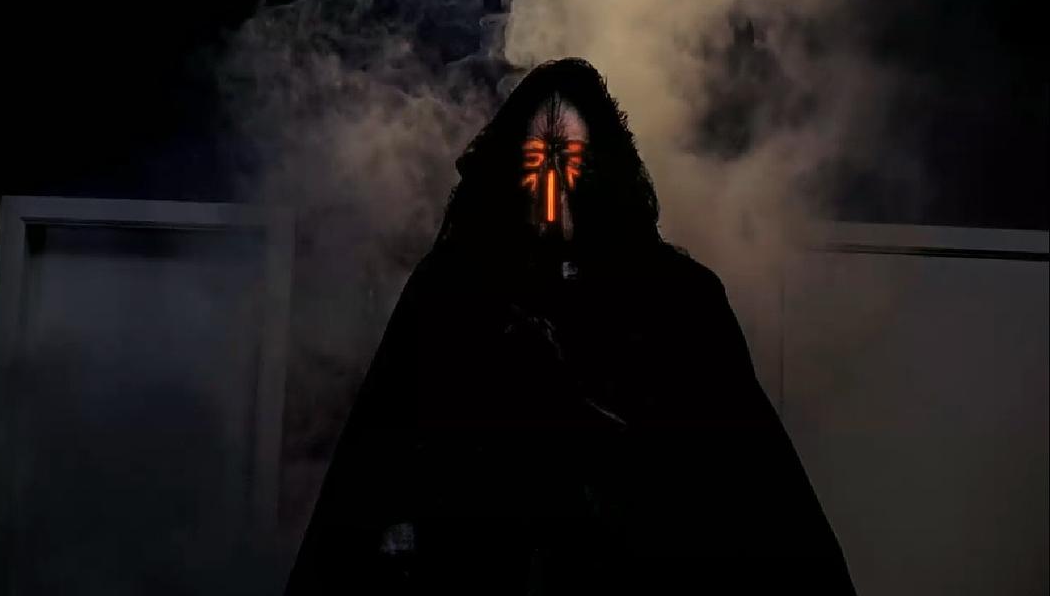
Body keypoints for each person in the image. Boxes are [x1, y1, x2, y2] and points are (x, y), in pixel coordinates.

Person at [286, 58, 856, 595]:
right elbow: (379, 470)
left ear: (602, 169)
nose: (552, 194)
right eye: (536, 162)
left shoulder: (679, 298)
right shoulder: (452, 289)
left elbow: (743, 487)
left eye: (572, 163)